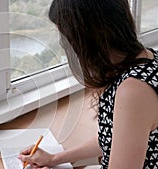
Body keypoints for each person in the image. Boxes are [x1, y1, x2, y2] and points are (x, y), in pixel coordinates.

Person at [17, 0, 158, 168]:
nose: (64, 45)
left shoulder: (133, 90)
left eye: (67, 37)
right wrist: (54, 159)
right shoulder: (146, 58)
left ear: (87, 37)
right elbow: (114, 140)